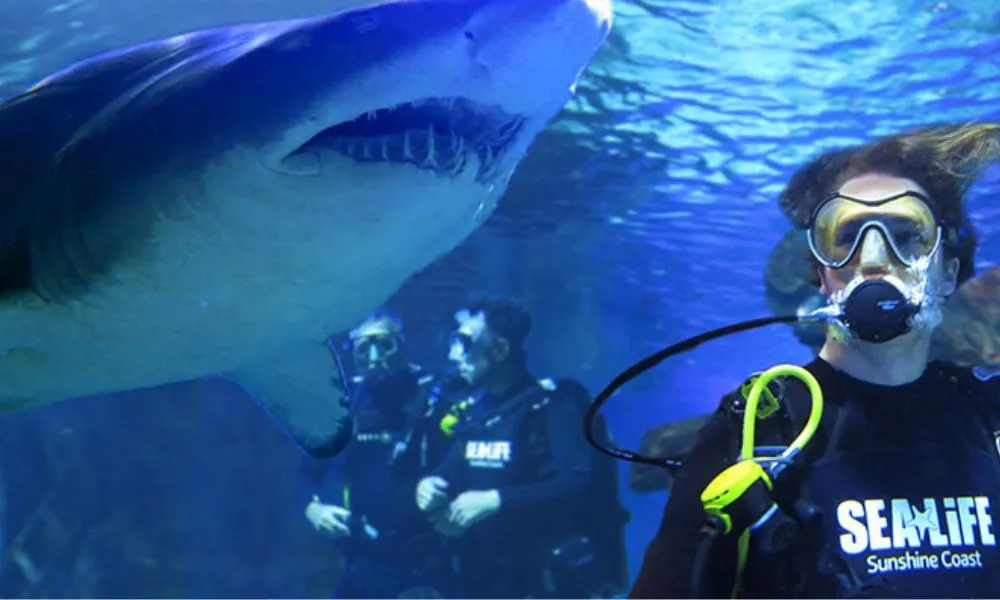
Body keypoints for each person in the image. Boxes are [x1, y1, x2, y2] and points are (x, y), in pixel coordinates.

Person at [630, 122, 1000, 598]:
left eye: (906, 235)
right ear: (821, 276)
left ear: (948, 273)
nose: (873, 258)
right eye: (846, 236)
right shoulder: (758, 428)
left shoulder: (988, 413)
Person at [414, 297, 630, 599]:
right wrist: (430, 484)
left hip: (546, 581)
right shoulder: (475, 411)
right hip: (486, 577)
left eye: (462, 342)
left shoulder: (554, 405)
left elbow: (579, 481)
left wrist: (495, 500)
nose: (454, 355)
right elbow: (452, 468)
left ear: (500, 349)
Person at [299, 310, 463, 599]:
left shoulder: (437, 393)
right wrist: (314, 510)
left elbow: (470, 453)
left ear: (402, 344)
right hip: (367, 552)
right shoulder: (346, 403)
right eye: (364, 347)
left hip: (432, 554)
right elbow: (305, 472)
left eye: (384, 344)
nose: (375, 356)